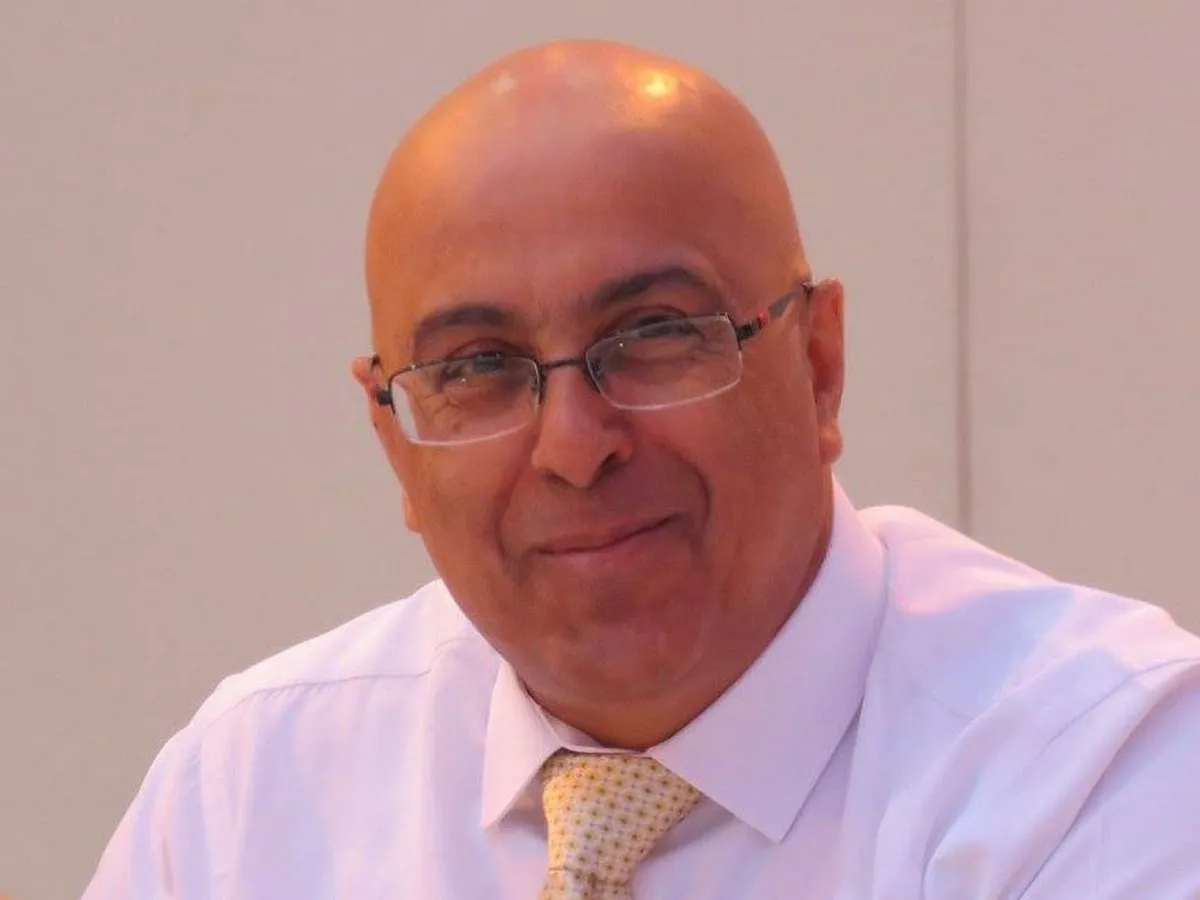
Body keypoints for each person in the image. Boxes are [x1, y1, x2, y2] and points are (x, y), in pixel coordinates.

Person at [83, 39, 1200, 899]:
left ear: (818, 368)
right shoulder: (249, 796)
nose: (574, 447)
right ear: (395, 445)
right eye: (476, 368)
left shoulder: (1105, 769)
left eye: (655, 335)